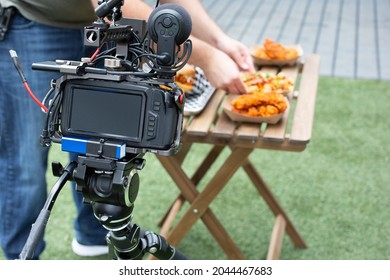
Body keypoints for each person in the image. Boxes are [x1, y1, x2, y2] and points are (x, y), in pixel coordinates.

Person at [0, 0, 254, 260]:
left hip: (108, 25)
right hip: (36, 20)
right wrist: (209, 58)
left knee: (104, 143)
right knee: (25, 162)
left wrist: (219, 41)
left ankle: (95, 235)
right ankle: (20, 261)